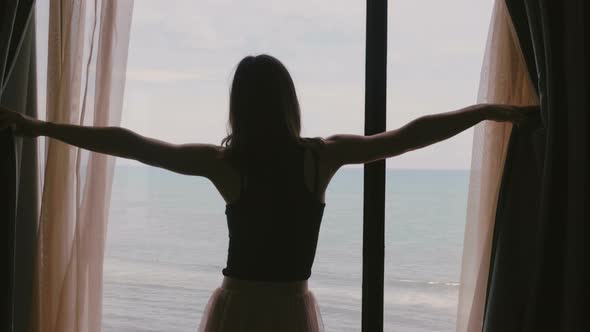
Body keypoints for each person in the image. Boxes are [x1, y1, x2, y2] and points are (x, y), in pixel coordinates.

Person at [0, 54, 537, 331]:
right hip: (288, 309)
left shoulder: (224, 163)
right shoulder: (319, 156)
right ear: (288, 102)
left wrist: (40, 127)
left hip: (237, 307)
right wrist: (488, 111)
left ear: (240, 105)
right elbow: (405, 137)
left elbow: (133, 144)